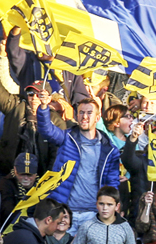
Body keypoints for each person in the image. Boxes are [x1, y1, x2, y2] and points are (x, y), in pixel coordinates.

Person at [36, 94, 120, 233]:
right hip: (65, 213)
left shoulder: (110, 150)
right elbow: (47, 130)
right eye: (81, 112)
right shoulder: (66, 138)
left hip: (93, 215)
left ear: (97, 118)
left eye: (89, 113)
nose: (84, 116)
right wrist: (44, 107)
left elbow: (112, 183)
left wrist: (112, 208)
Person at [69, 186, 139, 244]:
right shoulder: (87, 226)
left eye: (109, 204)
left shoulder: (125, 227)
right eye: (101, 204)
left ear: (117, 206)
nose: (105, 208)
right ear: (96, 204)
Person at [0, 198, 68, 244]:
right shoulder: (27, 240)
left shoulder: (31, 234)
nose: (58, 227)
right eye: (58, 223)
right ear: (48, 220)